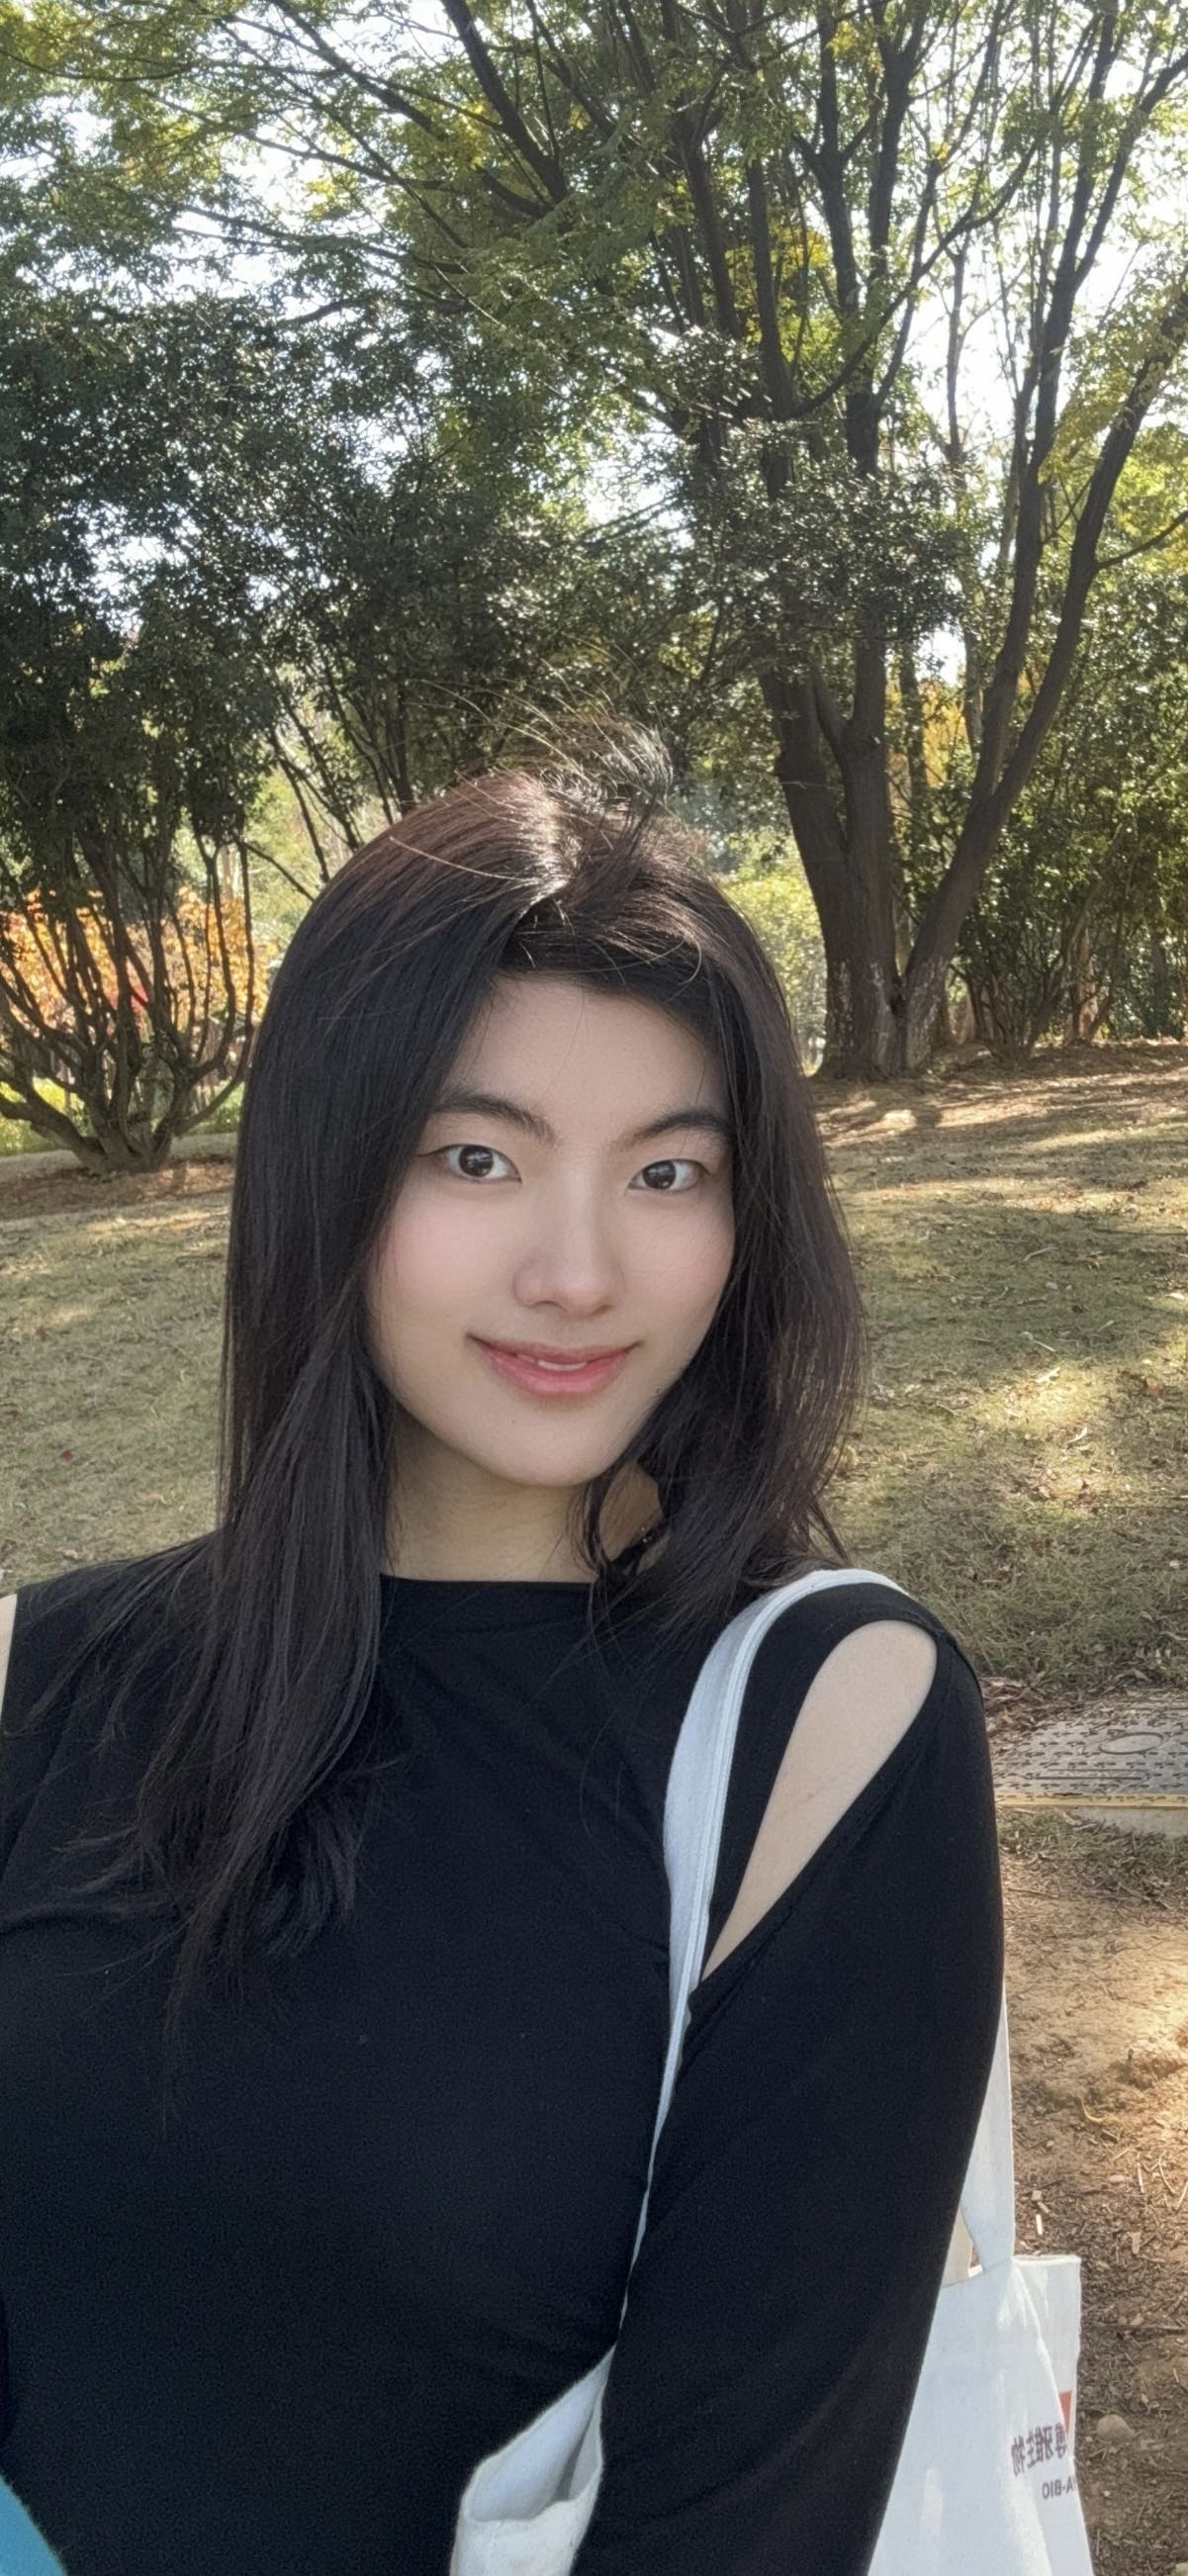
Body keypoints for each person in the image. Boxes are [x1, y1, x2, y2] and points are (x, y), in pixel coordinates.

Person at [0, 752, 1003, 2576]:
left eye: (668, 1171)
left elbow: (745, 2520)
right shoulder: (43, 1674)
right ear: (325, 1176)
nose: (577, 1272)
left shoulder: (820, 1724)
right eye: (476, 1158)